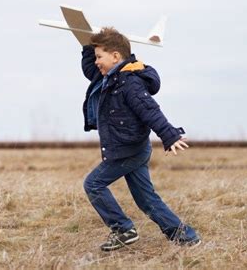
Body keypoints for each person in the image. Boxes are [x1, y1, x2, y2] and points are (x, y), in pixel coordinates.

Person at [80, 27, 201, 251]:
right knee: (147, 199)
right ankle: (185, 237)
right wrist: (88, 47)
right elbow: (90, 70)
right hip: (132, 147)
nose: (96, 62)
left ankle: (123, 229)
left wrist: (169, 134)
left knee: (93, 184)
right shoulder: (110, 77)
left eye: (99, 57)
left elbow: (150, 110)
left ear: (115, 56)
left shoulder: (130, 82)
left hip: (128, 150)